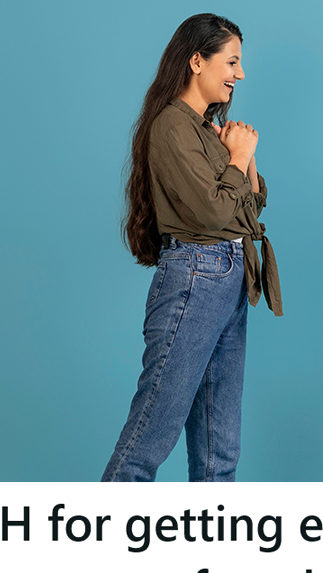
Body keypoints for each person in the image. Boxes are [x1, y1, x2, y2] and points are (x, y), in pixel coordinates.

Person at [103, 13, 281, 483]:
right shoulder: (171, 127)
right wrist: (237, 156)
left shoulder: (206, 129)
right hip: (196, 276)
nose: (239, 74)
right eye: (232, 61)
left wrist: (246, 156)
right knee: (148, 440)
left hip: (227, 276)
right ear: (197, 61)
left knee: (219, 453)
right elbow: (214, 212)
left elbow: (250, 208)